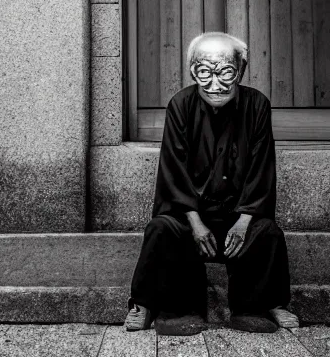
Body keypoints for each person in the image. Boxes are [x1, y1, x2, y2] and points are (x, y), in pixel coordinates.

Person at [124, 32, 299, 335]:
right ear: (193, 71)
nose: (215, 84)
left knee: (267, 232)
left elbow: (262, 167)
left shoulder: (257, 105)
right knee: (161, 230)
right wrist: (195, 222)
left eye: (225, 72)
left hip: (237, 212)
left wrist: (245, 220)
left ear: (240, 71)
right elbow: (173, 168)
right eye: (204, 72)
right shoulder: (180, 104)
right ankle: (151, 304)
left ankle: (265, 304)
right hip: (191, 213)